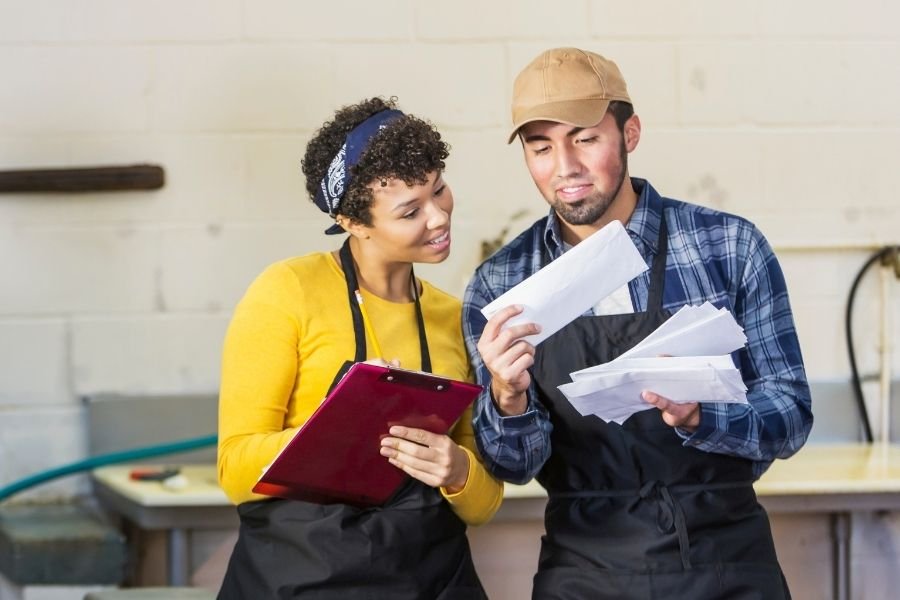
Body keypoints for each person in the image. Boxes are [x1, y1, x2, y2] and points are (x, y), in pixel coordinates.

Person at [462, 47, 813, 599]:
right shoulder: (500, 283)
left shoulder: (729, 247)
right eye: (541, 147)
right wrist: (506, 397)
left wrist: (703, 415)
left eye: (585, 138)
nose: (565, 167)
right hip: (584, 570)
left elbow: (791, 416)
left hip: (726, 562)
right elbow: (512, 466)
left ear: (631, 133)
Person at [217, 96, 502, 599]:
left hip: (430, 582)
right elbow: (236, 470)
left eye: (439, 191)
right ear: (353, 222)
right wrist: (340, 425)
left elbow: (482, 504)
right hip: (305, 581)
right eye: (410, 211)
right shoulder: (288, 291)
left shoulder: (454, 316)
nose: (438, 218)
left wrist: (456, 470)